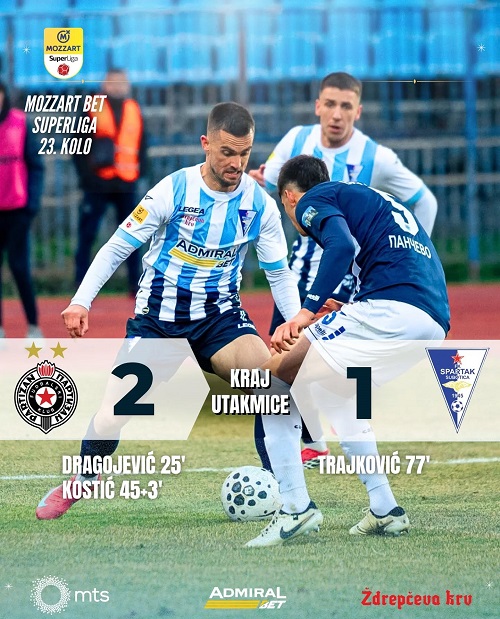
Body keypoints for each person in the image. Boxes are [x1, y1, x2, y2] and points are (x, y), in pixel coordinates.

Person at [36, 102, 301, 520]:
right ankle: (85, 478)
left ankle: (286, 492)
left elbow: (279, 274)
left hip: (219, 320)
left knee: (271, 388)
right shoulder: (172, 191)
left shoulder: (259, 206)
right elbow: (118, 246)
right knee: (113, 415)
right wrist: (81, 300)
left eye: (244, 153)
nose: (236, 164)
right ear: (205, 144)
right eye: (226, 152)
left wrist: (297, 323)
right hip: (158, 323)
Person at [245, 155, 450, 547]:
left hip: (390, 310)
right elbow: (388, 257)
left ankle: (295, 508)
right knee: (337, 393)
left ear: (289, 197)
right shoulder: (368, 197)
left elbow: (339, 246)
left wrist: (304, 313)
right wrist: (349, 305)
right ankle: (385, 508)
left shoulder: (312, 199)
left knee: (269, 382)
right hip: (431, 320)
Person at [249, 72, 439, 467]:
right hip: (299, 275)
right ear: (318, 106)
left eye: (346, 106)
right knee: (287, 366)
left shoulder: (376, 156)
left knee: (321, 375)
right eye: (331, 104)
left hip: (351, 280)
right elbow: (270, 186)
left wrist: (406, 260)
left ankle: (324, 454)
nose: (337, 114)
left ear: (358, 111)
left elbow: (426, 202)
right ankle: (314, 444)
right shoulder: (295, 141)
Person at [73, 68, 147, 296]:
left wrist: (140, 174)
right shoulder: (91, 108)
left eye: (121, 83)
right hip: (98, 184)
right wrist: (88, 178)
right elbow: (78, 145)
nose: (117, 87)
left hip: (126, 183)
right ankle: (81, 286)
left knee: (133, 236)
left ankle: (136, 285)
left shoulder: (134, 109)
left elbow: (143, 145)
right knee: (87, 235)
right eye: (113, 83)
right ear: (104, 85)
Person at [0, 81, 44, 339]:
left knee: (19, 268)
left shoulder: (20, 123)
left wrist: (32, 204)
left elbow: (36, 165)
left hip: (17, 209)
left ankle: (33, 326)